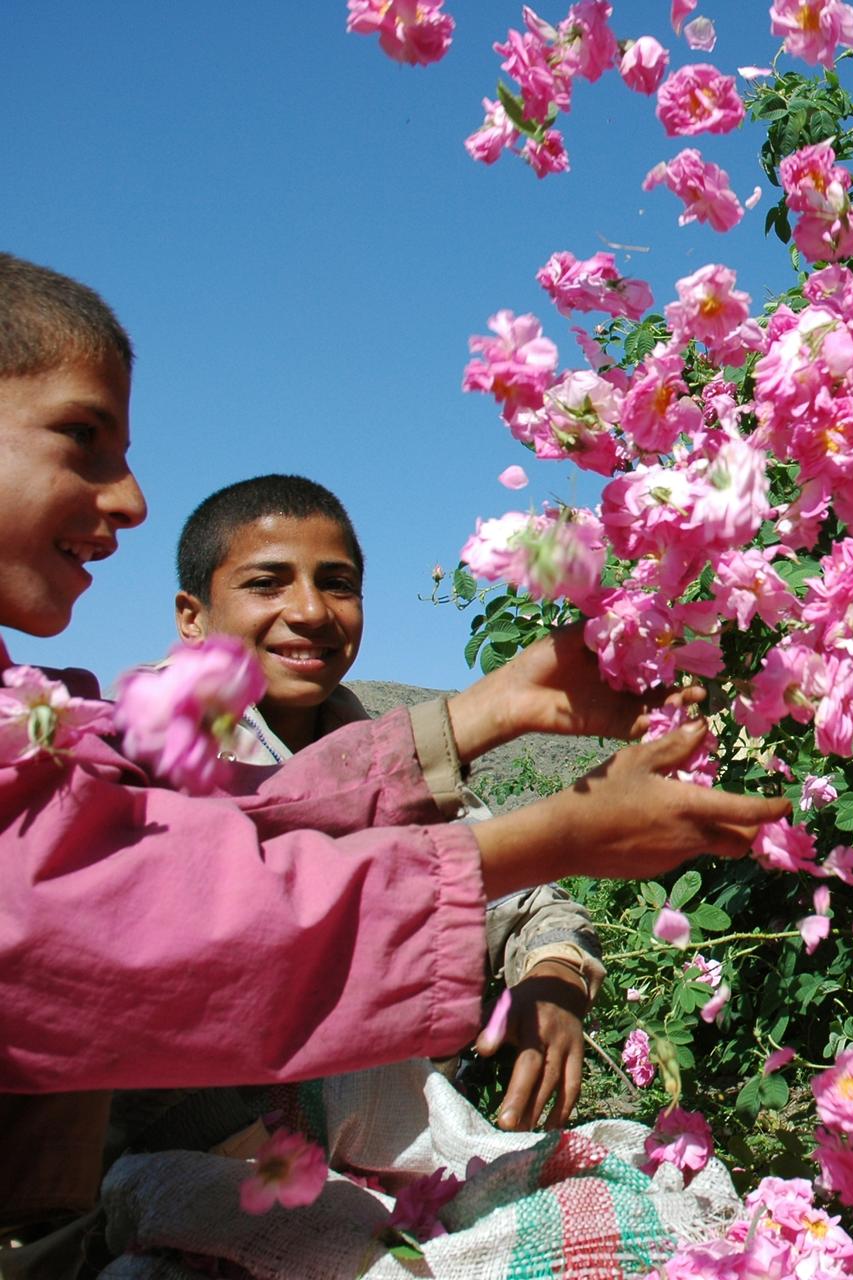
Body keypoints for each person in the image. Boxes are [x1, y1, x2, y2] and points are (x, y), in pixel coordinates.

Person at [0, 253, 787, 1242]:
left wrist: (488, 717)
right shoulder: (138, 743)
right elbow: (186, 905)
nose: (130, 497)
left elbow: (255, 820)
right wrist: (554, 833)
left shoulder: (81, 727)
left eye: (337, 582)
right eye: (82, 436)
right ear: (191, 617)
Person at [170, 473, 602, 1133]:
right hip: (202, 1161)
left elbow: (530, 906)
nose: (311, 610)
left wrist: (554, 978)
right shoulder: (145, 764)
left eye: (338, 584)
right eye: (266, 583)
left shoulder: (395, 760)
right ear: (192, 617)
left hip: (391, 1152)